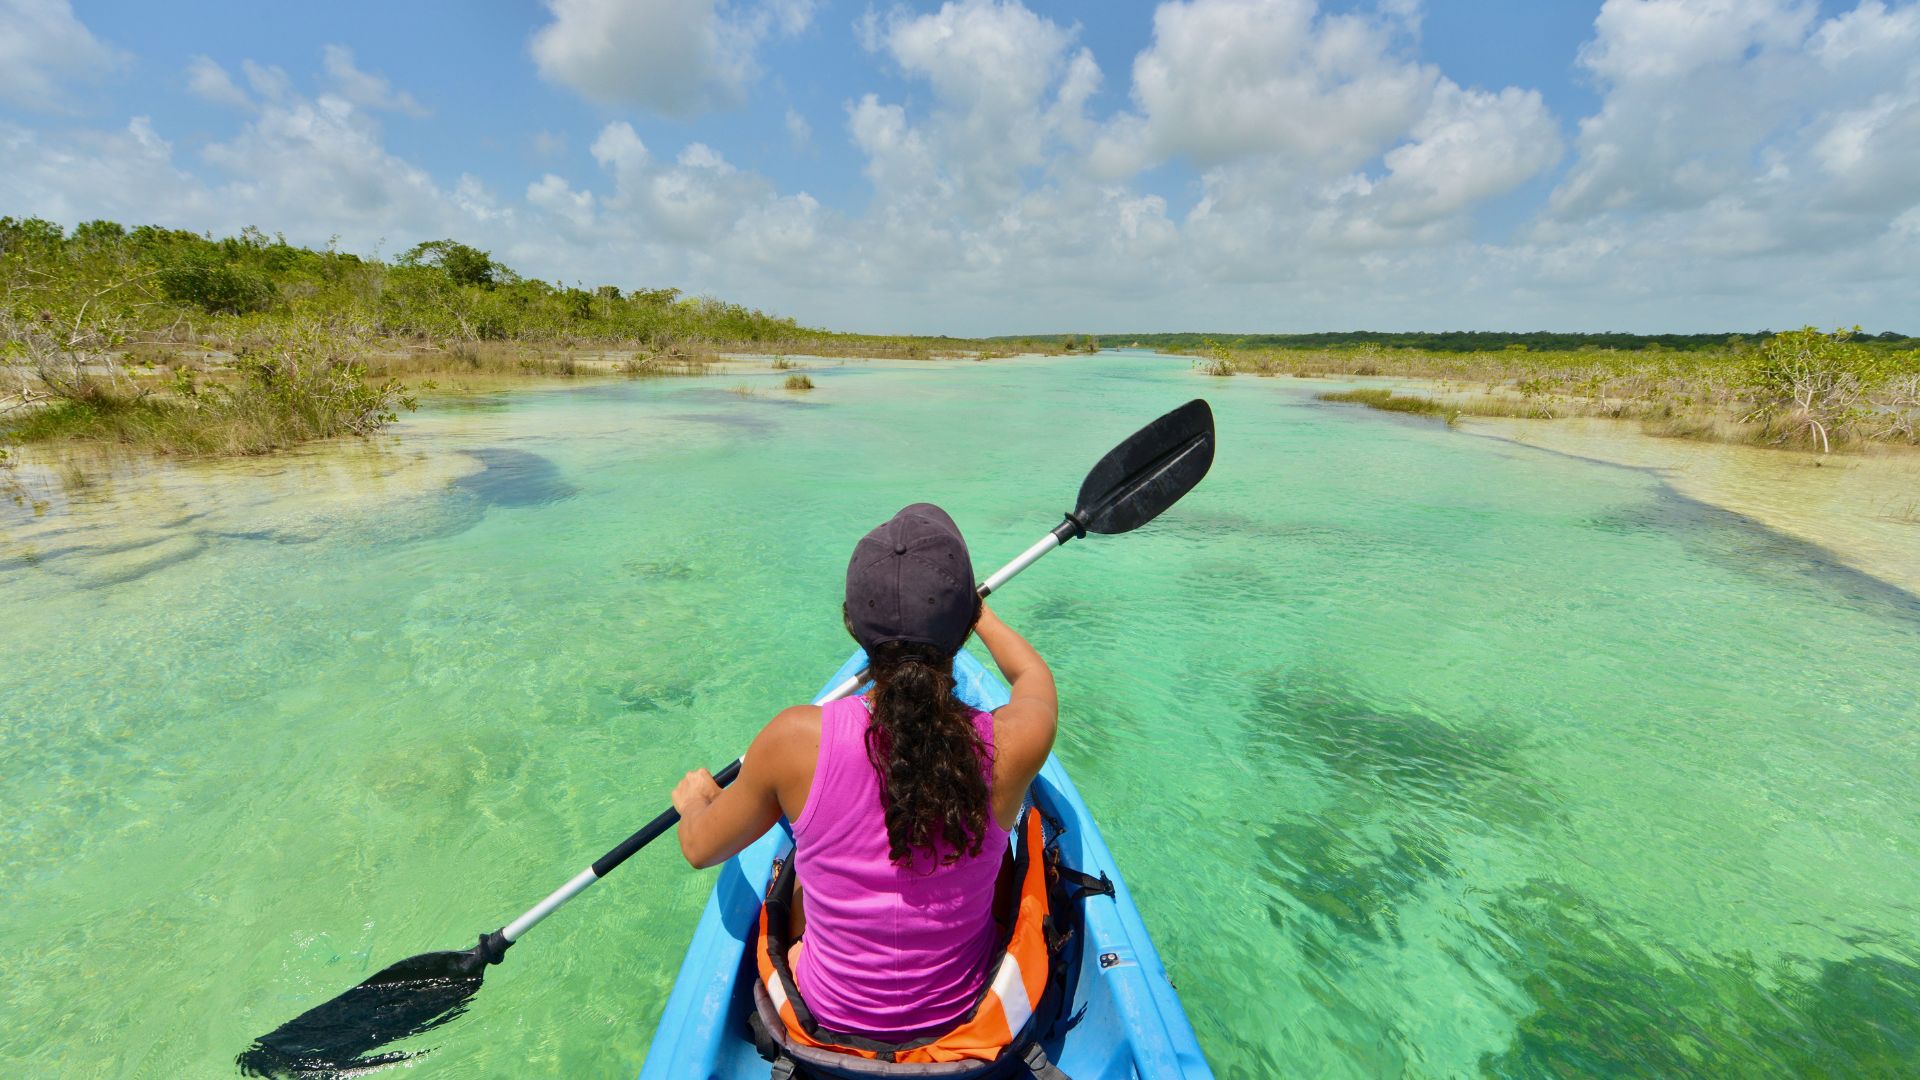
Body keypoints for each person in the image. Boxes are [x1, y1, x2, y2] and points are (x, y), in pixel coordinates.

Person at [672, 503, 1058, 1041]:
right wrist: (977, 612)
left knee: (803, 865)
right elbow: (1032, 676)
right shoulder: (1016, 741)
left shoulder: (793, 741)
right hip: (959, 1023)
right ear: (964, 627)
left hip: (827, 1022)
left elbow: (699, 849)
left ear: (852, 623)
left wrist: (697, 803)